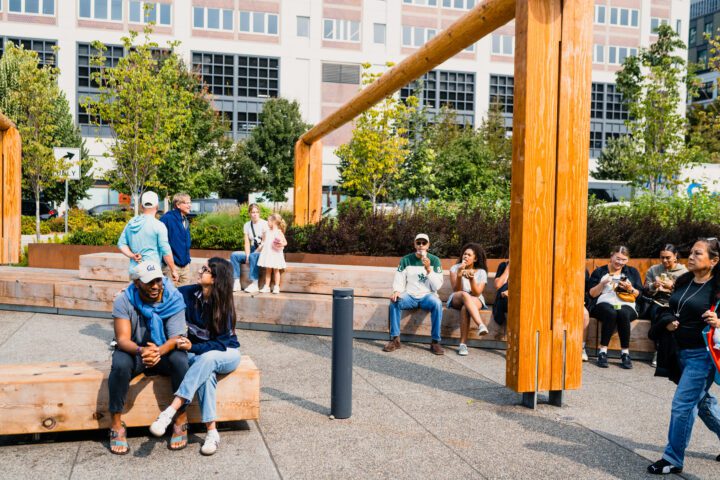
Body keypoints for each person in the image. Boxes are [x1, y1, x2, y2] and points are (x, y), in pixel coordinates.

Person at [150, 257, 241, 456]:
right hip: (199, 353)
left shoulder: (224, 305)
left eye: (205, 270)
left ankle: (171, 410)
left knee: (207, 359)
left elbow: (221, 343)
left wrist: (193, 346)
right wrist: (128, 291)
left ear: (216, 278)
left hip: (227, 353)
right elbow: (164, 287)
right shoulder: (188, 293)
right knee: (206, 373)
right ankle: (212, 432)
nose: (200, 271)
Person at [647, 237, 720, 475]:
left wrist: (719, 322)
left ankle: (672, 458)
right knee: (702, 401)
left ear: (714, 260)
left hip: (702, 355)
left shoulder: (717, 289)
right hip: (679, 352)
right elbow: (669, 307)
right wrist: (667, 321)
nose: (691, 256)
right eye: (691, 252)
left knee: (682, 405)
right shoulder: (684, 281)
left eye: (698, 254)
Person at [107, 260, 189, 455]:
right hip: (135, 351)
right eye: (149, 282)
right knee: (119, 364)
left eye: (158, 281)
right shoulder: (124, 300)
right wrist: (142, 351)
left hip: (164, 350)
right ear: (136, 283)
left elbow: (176, 338)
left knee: (181, 360)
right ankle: (116, 425)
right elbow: (122, 339)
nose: (155, 286)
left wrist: (158, 351)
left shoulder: (173, 298)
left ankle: (181, 419)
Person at [383, 233, 445, 355]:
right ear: (414, 244)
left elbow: (437, 286)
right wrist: (397, 291)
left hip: (427, 296)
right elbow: (399, 277)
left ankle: (435, 341)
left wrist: (428, 269)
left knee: (437, 304)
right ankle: (395, 339)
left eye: (424, 243)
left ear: (428, 245)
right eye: (418, 242)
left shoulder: (435, 260)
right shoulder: (406, 259)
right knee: (394, 301)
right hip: (410, 295)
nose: (421, 245)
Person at [587, 245, 643, 369]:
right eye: (617, 258)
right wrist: (602, 283)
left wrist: (630, 288)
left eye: (623, 259)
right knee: (611, 312)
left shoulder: (632, 272)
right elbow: (591, 294)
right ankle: (602, 352)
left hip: (627, 303)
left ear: (627, 260)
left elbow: (640, 295)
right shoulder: (600, 271)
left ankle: (625, 353)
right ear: (611, 256)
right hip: (604, 303)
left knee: (622, 313)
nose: (620, 262)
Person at [118, 191, 179, 283]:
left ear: (141, 206)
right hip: (151, 272)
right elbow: (166, 251)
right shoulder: (158, 225)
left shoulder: (131, 222)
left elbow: (121, 244)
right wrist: (173, 270)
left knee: (134, 296)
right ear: (157, 206)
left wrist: (132, 255)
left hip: (135, 271)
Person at [644, 244, 688, 367]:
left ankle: (672, 352)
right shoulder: (653, 270)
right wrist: (654, 286)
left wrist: (672, 287)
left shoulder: (684, 272)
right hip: (658, 301)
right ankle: (658, 351)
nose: (664, 260)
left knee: (673, 319)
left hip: (676, 302)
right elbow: (646, 289)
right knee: (658, 315)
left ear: (675, 256)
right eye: (662, 257)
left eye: (668, 257)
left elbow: (686, 293)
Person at [449, 243, 489, 356]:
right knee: (464, 295)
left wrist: (471, 280)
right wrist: (459, 274)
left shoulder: (481, 272)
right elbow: (456, 290)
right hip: (458, 297)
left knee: (465, 308)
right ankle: (480, 325)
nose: (465, 256)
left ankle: (463, 345)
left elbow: (477, 293)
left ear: (475, 258)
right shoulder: (455, 268)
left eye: (469, 255)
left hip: (475, 298)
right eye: (464, 254)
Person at [230, 204, 268, 293]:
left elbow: (264, 243)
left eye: (257, 212)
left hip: (262, 251)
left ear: (259, 213)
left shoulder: (264, 223)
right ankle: (236, 282)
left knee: (253, 256)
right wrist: (247, 255)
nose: (255, 214)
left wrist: (253, 254)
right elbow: (246, 242)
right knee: (234, 255)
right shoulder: (247, 225)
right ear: (249, 213)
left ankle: (254, 283)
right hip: (251, 250)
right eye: (253, 212)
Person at [160, 193, 193, 286]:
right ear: (178, 205)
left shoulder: (185, 219)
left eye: (190, 203)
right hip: (171, 267)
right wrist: (171, 266)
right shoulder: (167, 218)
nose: (190, 205)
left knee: (185, 296)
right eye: (187, 203)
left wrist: (187, 261)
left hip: (185, 266)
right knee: (170, 296)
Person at [256, 213, 287, 294]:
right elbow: (264, 242)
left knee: (276, 270)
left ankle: (276, 286)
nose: (267, 222)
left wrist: (280, 244)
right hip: (268, 254)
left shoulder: (279, 232)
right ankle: (267, 286)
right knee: (268, 271)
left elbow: (285, 242)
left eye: (268, 221)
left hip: (275, 254)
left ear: (273, 222)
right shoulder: (267, 232)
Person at [492, 259, 509, 339]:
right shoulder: (503, 265)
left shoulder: (527, 266)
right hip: (503, 299)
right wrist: (508, 268)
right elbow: (497, 285)